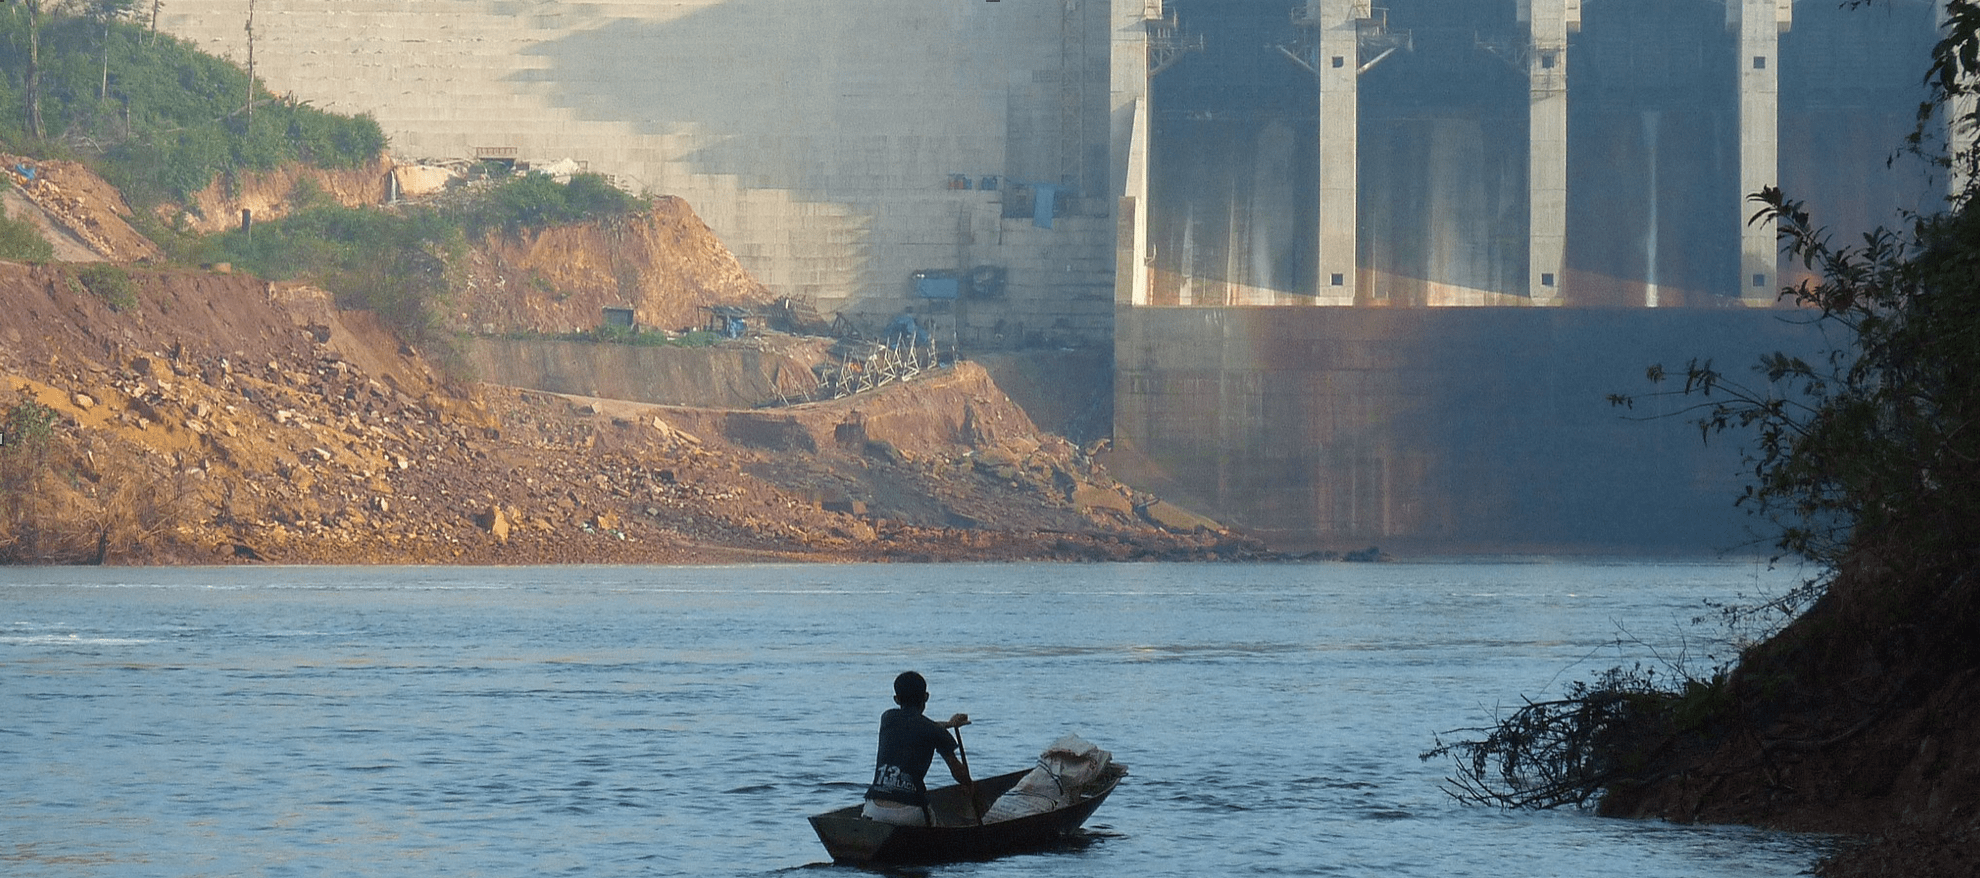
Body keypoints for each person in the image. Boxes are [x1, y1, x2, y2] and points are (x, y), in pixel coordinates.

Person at [862, 670, 973, 826]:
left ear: (896, 699)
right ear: (926, 697)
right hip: (910, 812)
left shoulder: (887, 718)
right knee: (937, 825)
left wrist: (949, 724)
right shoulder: (935, 731)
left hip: (873, 809)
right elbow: (957, 772)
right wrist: (968, 784)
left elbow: (916, 725)